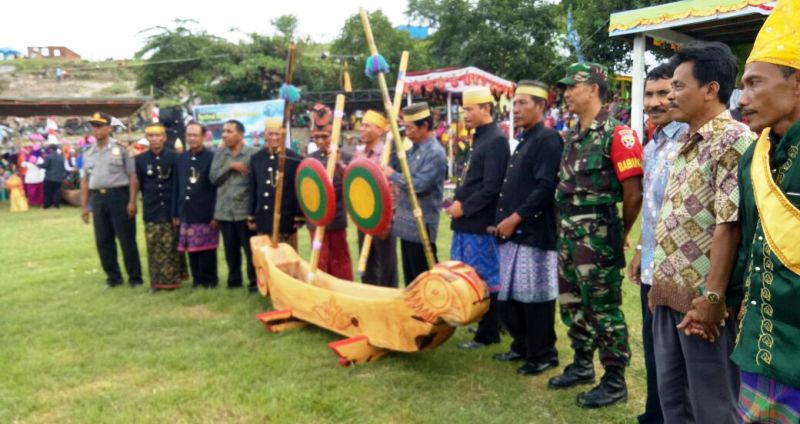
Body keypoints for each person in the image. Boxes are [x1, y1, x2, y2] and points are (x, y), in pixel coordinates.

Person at [648, 42, 755, 423]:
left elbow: (730, 223)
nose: (669, 96)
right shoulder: (686, 139)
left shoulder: (734, 139)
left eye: (678, 86)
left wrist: (712, 297)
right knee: (674, 402)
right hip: (669, 294)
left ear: (710, 89)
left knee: (712, 406)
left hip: (703, 304)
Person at [549, 63, 643, 408]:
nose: (566, 93)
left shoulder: (617, 134)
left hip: (598, 236)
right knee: (572, 302)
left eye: (571, 86)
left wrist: (621, 232)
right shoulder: (573, 135)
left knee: (602, 308)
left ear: (593, 88)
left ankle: (615, 379)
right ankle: (582, 364)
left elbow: (633, 193)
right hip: (568, 234)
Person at [725, 4, 800, 420]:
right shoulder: (754, 155)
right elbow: (749, 242)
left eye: (754, 83)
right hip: (760, 347)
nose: (743, 99)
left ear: (797, 84)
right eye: (742, 86)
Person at [627, 63, 687, 424]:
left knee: (678, 362)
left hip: (679, 274)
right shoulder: (652, 146)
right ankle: (653, 415)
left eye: (664, 93)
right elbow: (653, 208)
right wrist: (639, 250)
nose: (654, 102)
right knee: (654, 352)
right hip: (651, 268)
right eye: (648, 94)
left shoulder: (690, 142)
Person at [492, 80, 563, 375]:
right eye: (514, 103)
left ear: (541, 106)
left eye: (523, 103)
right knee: (513, 297)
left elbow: (545, 187)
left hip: (534, 233)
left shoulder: (548, 139)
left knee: (536, 299)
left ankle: (543, 354)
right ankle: (521, 346)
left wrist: (515, 218)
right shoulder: (525, 139)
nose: (516, 109)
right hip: (514, 233)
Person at [445, 87, 509, 350]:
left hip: (481, 222)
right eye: (464, 110)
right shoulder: (480, 137)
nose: (466, 114)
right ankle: (486, 322)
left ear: (486, 108)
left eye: (470, 109)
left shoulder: (496, 140)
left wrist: (465, 207)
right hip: (468, 221)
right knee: (471, 275)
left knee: (485, 277)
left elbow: (492, 187)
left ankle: (489, 332)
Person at [383, 102, 447, 285]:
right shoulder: (413, 149)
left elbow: (418, 185)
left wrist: (393, 175)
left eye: (410, 128)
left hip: (421, 227)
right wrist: (393, 139)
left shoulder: (435, 153)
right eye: (405, 128)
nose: (407, 133)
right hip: (406, 225)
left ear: (424, 126)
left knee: (424, 281)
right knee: (411, 281)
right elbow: (393, 163)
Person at [80, 112, 143, 289]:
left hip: (119, 196)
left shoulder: (121, 149)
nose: (96, 130)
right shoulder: (88, 152)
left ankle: (135, 278)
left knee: (126, 238)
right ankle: (113, 277)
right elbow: (84, 180)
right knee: (103, 240)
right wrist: (84, 206)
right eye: (94, 126)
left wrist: (132, 201)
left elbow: (132, 176)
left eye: (100, 126)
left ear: (109, 128)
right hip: (98, 198)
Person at [307, 104, 353, 281]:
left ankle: (343, 290)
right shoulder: (310, 160)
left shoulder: (346, 157)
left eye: (324, 137)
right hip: (316, 217)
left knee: (339, 260)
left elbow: (349, 185)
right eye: (317, 137)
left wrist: (339, 163)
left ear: (333, 136)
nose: (320, 141)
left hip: (336, 218)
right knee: (319, 260)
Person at [135, 123, 184, 293]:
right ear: (146, 138)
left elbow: (178, 184)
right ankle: (156, 282)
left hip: (170, 207)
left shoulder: (174, 157)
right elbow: (141, 184)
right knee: (153, 246)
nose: (154, 139)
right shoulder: (140, 160)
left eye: (158, 135)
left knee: (172, 245)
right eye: (151, 136)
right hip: (152, 208)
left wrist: (177, 210)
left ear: (164, 138)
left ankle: (173, 280)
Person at [210, 120, 257, 291]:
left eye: (229, 131)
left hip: (244, 211)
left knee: (250, 250)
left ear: (241, 135)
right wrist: (230, 166)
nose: (224, 135)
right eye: (223, 131)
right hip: (225, 211)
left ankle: (254, 282)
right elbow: (213, 178)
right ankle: (234, 281)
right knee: (230, 250)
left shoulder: (253, 154)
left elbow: (256, 182)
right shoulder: (220, 154)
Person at [353, 110, 398, 286]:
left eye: (367, 125)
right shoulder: (359, 153)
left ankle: (389, 297)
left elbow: (393, 189)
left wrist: (389, 220)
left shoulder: (388, 154)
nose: (362, 129)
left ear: (379, 130)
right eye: (362, 125)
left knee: (386, 267)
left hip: (382, 217)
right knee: (367, 266)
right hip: (363, 216)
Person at [174, 122, 219, 288]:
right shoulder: (181, 158)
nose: (192, 139)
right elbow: (177, 186)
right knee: (191, 247)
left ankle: (210, 280)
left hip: (205, 210)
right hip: (186, 211)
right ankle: (197, 279)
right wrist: (175, 212)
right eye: (189, 135)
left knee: (207, 248)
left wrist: (215, 214)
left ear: (203, 137)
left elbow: (215, 188)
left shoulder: (211, 157)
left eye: (195, 135)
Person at [247, 119, 304, 249]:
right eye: (270, 134)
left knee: (286, 256)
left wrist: (299, 216)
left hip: (286, 218)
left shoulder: (293, 158)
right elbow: (253, 188)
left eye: (277, 134)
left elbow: (298, 189)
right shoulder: (257, 158)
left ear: (282, 136)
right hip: (263, 218)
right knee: (266, 257)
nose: (274, 138)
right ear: (265, 135)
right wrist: (251, 215)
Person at [42, 144, 66, 209]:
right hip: (58, 177)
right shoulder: (61, 157)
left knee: (48, 192)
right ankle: (57, 205)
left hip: (49, 177)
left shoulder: (48, 157)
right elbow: (63, 168)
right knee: (57, 191)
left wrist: (37, 165)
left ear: (51, 149)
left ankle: (47, 205)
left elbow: (45, 166)